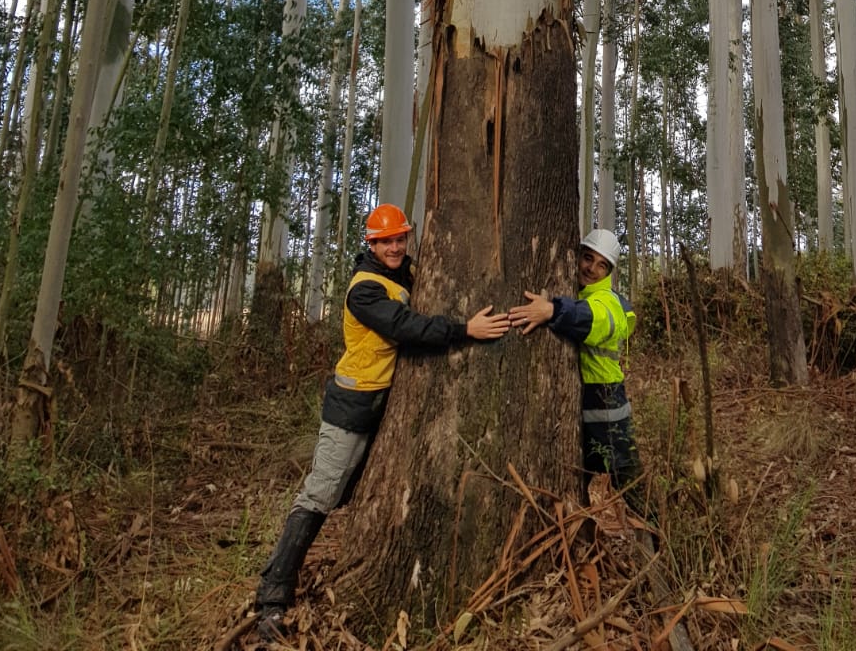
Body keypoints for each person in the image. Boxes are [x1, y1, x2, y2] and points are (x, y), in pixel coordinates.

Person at [253, 203, 509, 643]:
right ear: (370, 245)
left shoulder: (398, 273)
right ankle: (272, 597)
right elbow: (406, 327)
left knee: (352, 491)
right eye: (385, 241)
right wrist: (467, 329)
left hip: (378, 408)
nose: (395, 247)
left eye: (400, 238)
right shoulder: (364, 290)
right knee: (320, 495)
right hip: (351, 407)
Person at [509, 228, 640, 491]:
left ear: (609, 272)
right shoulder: (581, 295)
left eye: (602, 265)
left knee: (620, 476)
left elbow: (593, 319)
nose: (592, 269)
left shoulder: (606, 301)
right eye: (588, 258)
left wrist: (552, 309)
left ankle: (647, 527)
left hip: (605, 399)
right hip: (590, 396)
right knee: (592, 474)